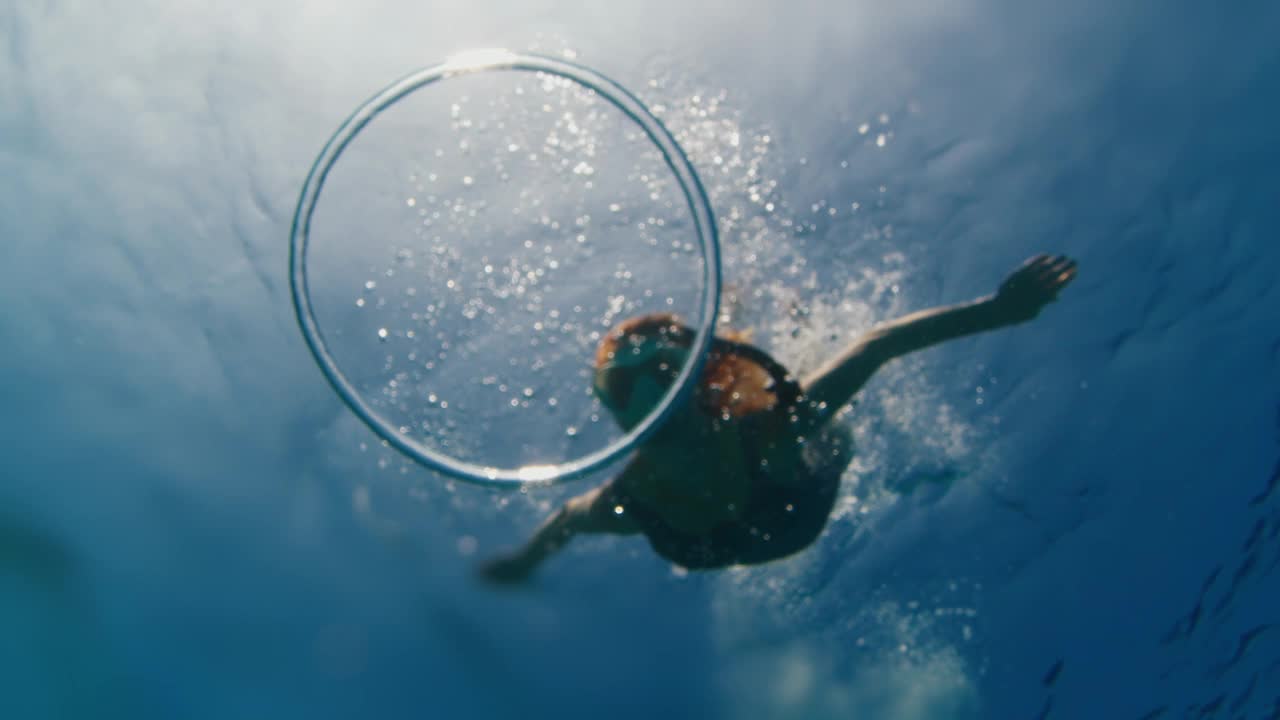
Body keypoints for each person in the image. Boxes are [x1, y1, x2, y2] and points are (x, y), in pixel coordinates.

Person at [479, 254, 1078, 583]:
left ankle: (753, 336)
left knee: (809, 408)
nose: (642, 397)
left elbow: (876, 344)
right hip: (746, 526)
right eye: (619, 385)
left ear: (694, 381)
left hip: (799, 491)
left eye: (659, 374)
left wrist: (1000, 310)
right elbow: (562, 521)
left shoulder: (771, 433)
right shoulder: (632, 496)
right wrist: (521, 564)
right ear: (610, 407)